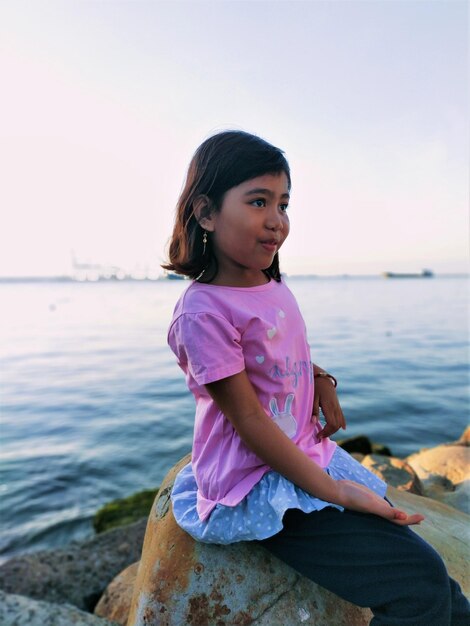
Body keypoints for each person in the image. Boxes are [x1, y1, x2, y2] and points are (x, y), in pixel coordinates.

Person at [163, 130, 469, 625]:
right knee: (418, 587)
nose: (277, 221)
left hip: (305, 455)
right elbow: (248, 420)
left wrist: (321, 378)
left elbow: (281, 352)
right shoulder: (202, 314)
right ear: (205, 211)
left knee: (434, 579)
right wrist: (336, 491)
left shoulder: (269, 283)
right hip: (258, 479)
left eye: (283, 204)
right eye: (258, 201)